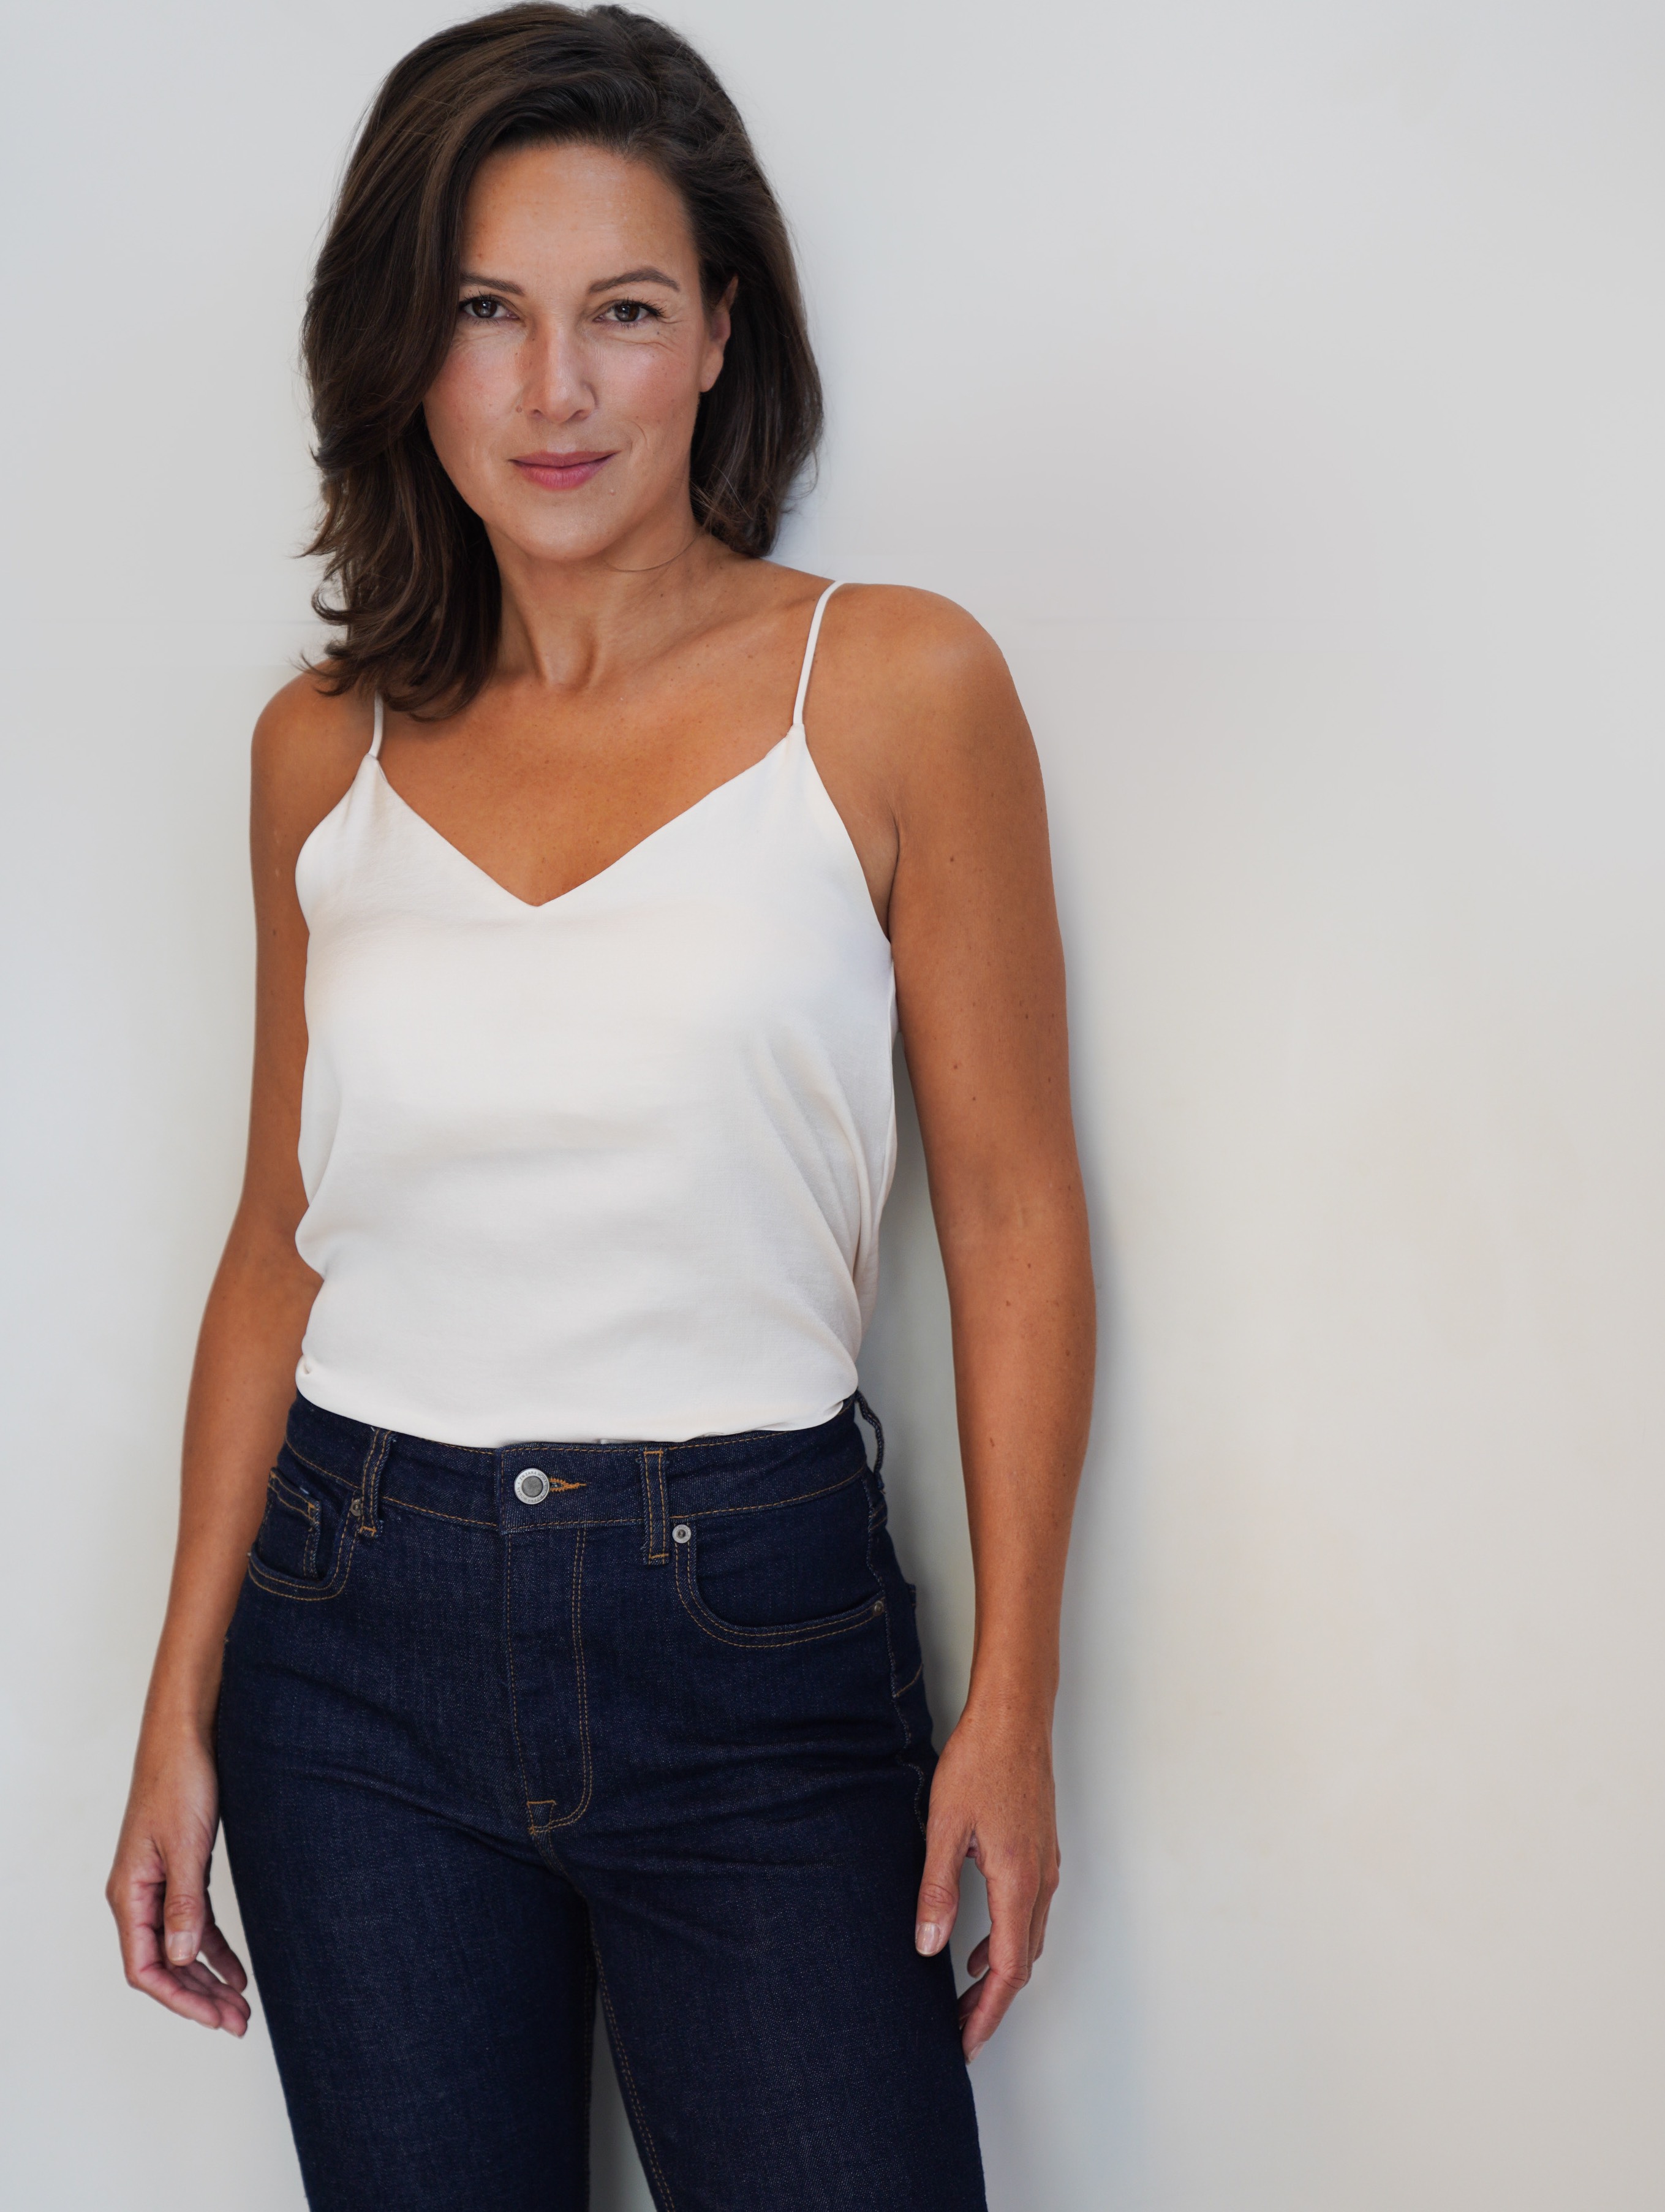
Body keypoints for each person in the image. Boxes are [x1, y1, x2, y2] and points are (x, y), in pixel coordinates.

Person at [105, 7, 1093, 2206]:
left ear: (722, 333)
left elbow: (1015, 1212)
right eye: (487, 312)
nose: (554, 389)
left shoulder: (893, 684)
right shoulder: (321, 746)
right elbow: (279, 1239)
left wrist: (1013, 1705)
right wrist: (178, 1705)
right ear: (405, 347)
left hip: (753, 1632)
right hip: (347, 1648)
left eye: (623, 311)